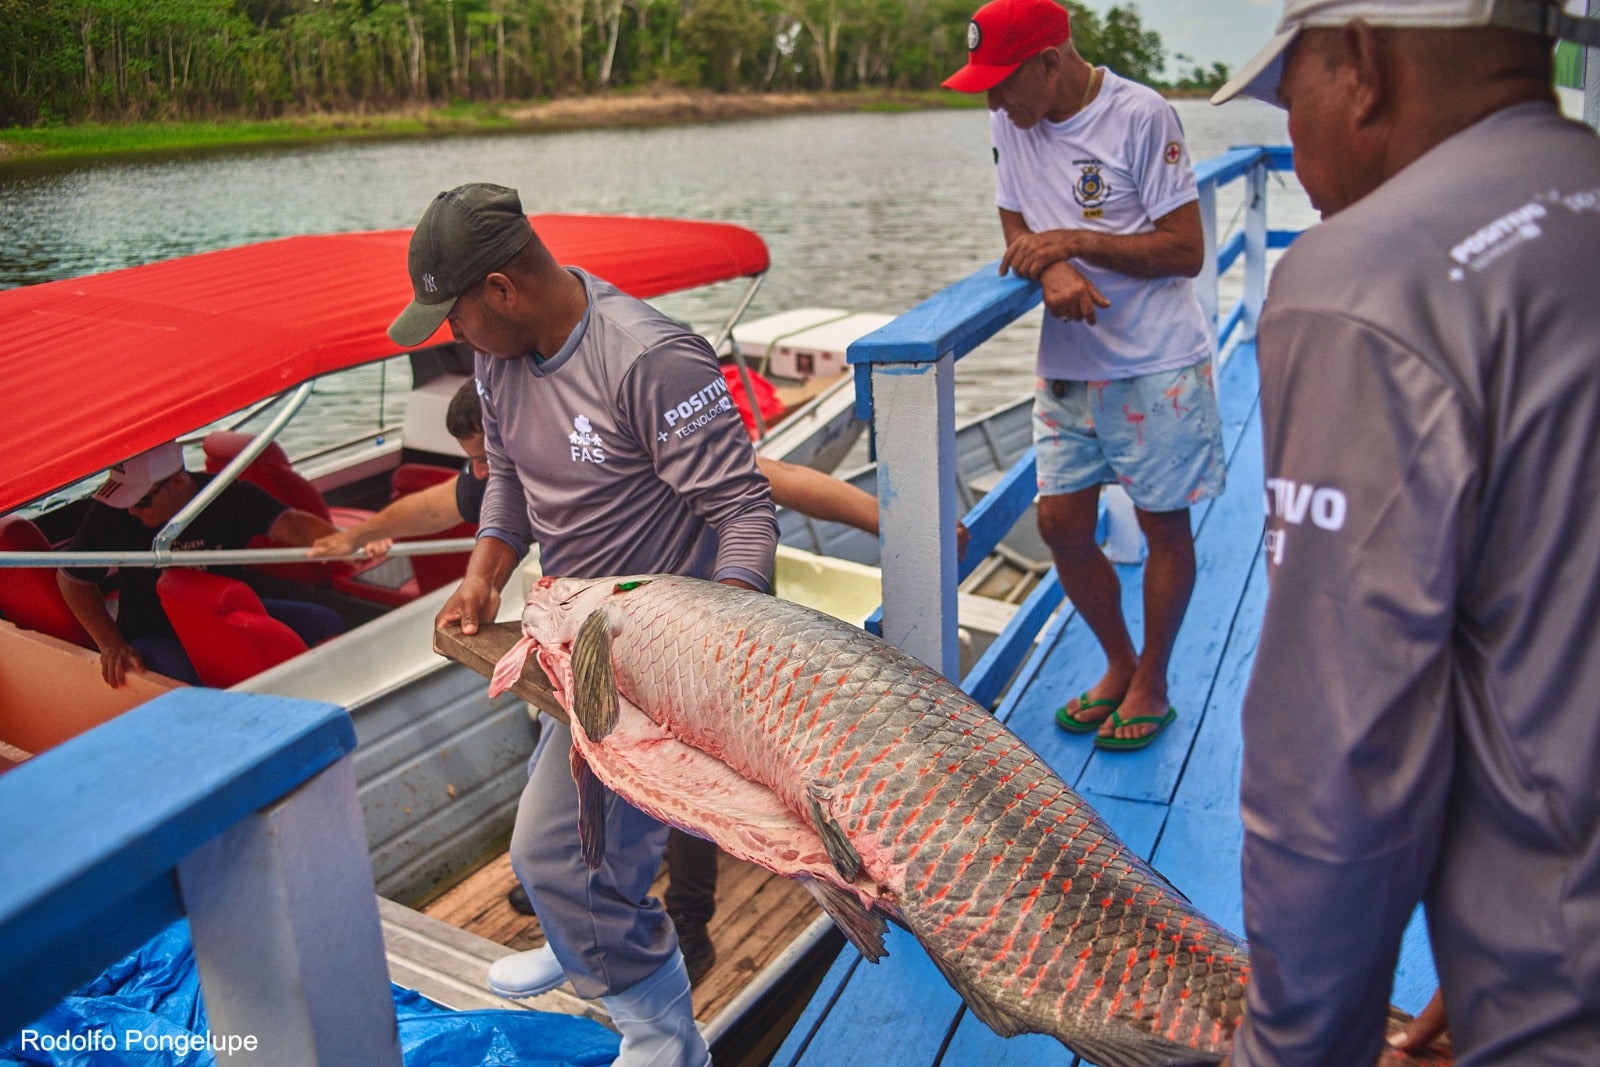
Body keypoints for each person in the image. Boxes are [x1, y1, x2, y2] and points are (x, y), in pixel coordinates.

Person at [1210, 1, 1600, 1062]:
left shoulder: (1366, 279)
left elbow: (1336, 755)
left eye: (1289, 103)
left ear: (1362, 66)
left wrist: (1294, 1046)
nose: (1293, 153)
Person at [388, 182, 779, 1067]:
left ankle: (664, 1037)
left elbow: (745, 511)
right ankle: (583, 943)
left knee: (556, 855)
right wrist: (485, 571)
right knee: (561, 846)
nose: (452, 337)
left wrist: (723, 648)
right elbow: (511, 480)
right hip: (563, 634)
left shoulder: (650, 361)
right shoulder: (497, 356)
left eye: (454, 316)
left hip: (655, 653)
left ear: (502, 288)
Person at [943, 0, 1224, 750]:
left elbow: (1186, 250)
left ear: (1051, 61)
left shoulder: (1142, 116)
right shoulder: (1009, 117)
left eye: (1004, 82)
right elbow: (1015, 219)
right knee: (1060, 524)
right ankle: (1119, 660)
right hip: (1068, 364)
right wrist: (1054, 262)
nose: (994, 101)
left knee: (1164, 524)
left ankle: (1153, 679)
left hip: (1154, 359)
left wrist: (1073, 239)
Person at [57, 440, 345, 687]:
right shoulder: (112, 514)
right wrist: (110, 642)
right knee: (195, 683)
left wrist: (353, 543)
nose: (131, 510)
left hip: (224, 620)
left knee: (326, 621)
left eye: (141, 501)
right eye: (125, 500)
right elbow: (72, 580)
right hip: (155, 632)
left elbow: (290, 524)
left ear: (178, 481)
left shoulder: (227, 497)